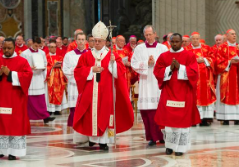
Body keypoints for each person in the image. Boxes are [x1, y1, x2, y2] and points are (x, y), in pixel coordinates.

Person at [73, 21, 134, 150]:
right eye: (95, 41)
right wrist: (91, 70)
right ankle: (91, 138)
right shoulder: (86, 56)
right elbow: (78, 71)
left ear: (105, 42)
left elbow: (120, 73)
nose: (96, 43)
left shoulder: (112, 55)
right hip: (91, 92)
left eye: (99, 41)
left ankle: (103, 141)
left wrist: (113, 64)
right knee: (91, 114)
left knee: (105, 114)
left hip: (107, 91)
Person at [0, 38, 33, 160]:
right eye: (4, 48)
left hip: (16, 98)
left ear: (14, 48)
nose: (6, 50)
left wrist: (11, 73)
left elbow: (28, 75)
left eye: (9, 48)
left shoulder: (22, 61)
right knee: (0, 123)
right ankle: (1, 150)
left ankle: (13, 152)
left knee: (14, 124)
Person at [154, 33, 201, 156]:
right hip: (168, 92)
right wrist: (169, 68)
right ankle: (169, 146)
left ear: (182, 42)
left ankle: (180, 148)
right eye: (172, 42)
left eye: (177, 42)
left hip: (184, 92)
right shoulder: (164, 56)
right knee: (168, 121)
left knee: (182, 122)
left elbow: (194, 73)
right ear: (169, 42)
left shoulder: (189, 55)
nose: (174, 44)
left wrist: (180, 67)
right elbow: (157, 72)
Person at [131, 25, 168, 146]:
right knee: (148, 111)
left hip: (158, 83)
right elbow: (134, 64)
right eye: (146, 35)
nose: (148, 37)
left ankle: (162, 136)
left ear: (155, 34)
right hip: (146, 83)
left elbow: (168, 63)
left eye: (150, 34)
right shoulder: (139, 48)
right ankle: (152, 137)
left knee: (160, 110)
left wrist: (155, 63)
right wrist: (147, 63)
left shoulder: (163, 48)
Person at [215, 29, 239, 125]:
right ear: (227, 36)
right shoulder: (222, 47)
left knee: (238, 94)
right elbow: (217, 61)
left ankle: (238, 118)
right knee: (225, 94)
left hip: (238, 76)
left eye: (235, 34)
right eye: (232, 34)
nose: (234, 36)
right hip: (226, 75)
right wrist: (229, 62)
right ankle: (225, 119)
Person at [21, 36, 55, 124]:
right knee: (30, 99)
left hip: (39, 77)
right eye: (35, 45)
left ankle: (45, 116)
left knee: (40, 99)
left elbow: (45, 63)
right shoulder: (25, 53)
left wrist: (44, 68)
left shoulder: (42, 53)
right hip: (30, 78)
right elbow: (21, 66)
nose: (37, 47)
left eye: (39, 46)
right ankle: (27, 116)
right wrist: (29, 68)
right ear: (32, 43)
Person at [185, 32, 216, 126]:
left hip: (206, 79)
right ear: (190, 40)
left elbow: (213, 58)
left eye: (197, 38)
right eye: (193, 39)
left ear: (199, 39)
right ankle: (193, 119)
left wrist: (205, 60)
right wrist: (195, 60)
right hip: (193, 79)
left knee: (206, 97)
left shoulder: (206, 48)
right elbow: (184, 61)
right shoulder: (187, 49)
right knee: (194, 98)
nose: (195, 40)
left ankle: (205, 119)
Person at [63, 33, 88, 127]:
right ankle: (74, 124)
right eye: (79, 39)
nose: (81, 42)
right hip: (74, 85)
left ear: (85, 41)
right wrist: (77, 73)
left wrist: (83, 73)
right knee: (74, 107)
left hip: (86, 84)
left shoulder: (90, 54)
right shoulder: (69, 55)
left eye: (83, 39)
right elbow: (65, 69)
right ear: (76, 41)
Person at [45, 41, 67, 115]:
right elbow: (45, 68)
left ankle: (58, 109)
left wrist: (61, 66)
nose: (53, 49)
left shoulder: (60, 57)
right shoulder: (46, 57)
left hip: (59, 78)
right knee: (50, 93)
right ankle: (50, 110)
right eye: (51, 47)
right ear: (48, 48)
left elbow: (64, 66)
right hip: (50, 78)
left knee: (59, 93)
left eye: (55, 47)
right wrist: (52, 67)